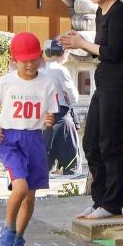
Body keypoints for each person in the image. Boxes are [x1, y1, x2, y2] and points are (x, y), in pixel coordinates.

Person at [59, 0, 123, 220]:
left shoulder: (119, 12)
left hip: (120, 84)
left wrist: (82, 42)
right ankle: (100, 201)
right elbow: (101, 51)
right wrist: (76, 44)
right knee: (91, 142)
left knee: (109, 143)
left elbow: (113, 52)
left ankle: (112, 204)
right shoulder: (101, 13)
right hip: (105, 84)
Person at [0, 32, 58, 246]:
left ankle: (19, 237)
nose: (29, 63)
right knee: (21, 187)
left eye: (33, 58)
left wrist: (49, 119)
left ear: (40, 57)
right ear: (13, 59)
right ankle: (7, 229)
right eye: (23, 59)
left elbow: (51, 114)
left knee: (30, 195)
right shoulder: (5, 82)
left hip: (34, 140)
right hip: (10, 140)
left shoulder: (47, 83)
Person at [42, 39, 80, 175]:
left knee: (45, 153)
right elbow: (73, 96)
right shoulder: (60, 70)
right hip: (61, 114)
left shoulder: (41, 70)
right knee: (71, 154)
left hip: (44, 115)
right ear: (63, 53)